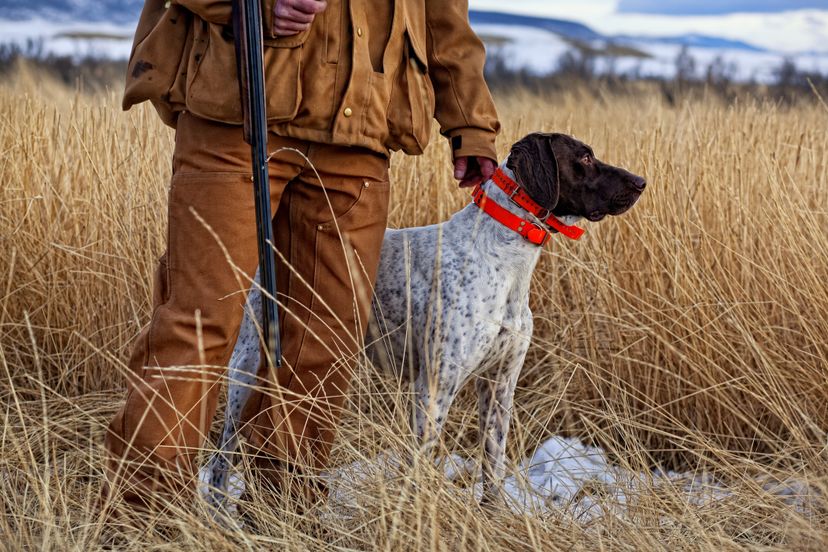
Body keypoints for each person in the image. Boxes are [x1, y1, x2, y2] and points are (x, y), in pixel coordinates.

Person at [103, 0, 500, 512]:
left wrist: (471, 124)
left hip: (360, 129)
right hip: (239, 114)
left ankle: (282, 509)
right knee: (200, 324)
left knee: (325, 337)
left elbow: (446, 18)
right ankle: (144, 514)